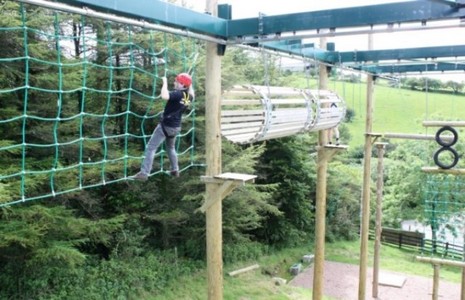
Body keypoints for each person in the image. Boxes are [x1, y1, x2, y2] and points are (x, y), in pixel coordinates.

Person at [133, 73, 194, 180]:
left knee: (151, 148)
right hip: (175, 127)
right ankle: (175, 169)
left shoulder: (177, 94)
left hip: (166, 126)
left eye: (176, 81)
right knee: (170, 147)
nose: (174, 82)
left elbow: (164, 96)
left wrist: (164, 82)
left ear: (182, 85)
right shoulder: (190, 96)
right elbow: (190, 92)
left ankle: (144, 173)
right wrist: (189, 83)